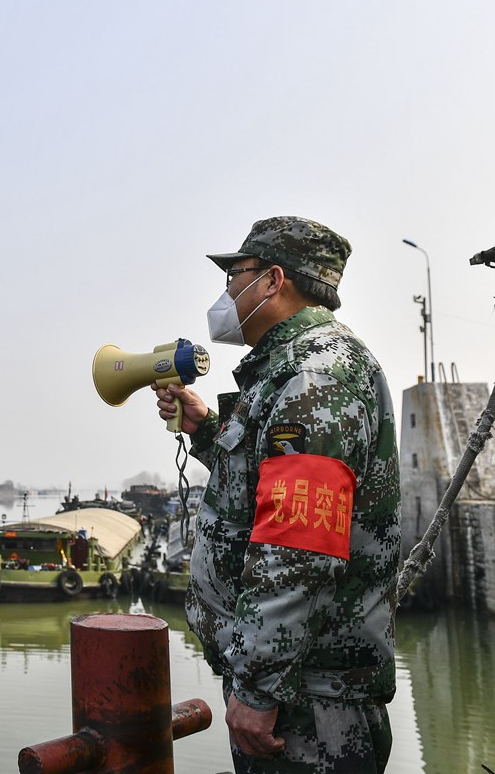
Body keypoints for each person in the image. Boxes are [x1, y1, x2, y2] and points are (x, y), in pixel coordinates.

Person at [152, 216, 400, 773]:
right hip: (298, 684)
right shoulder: (289, 370)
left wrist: (260, 688)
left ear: (272, 280)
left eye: (234, 275)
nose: (226, 294)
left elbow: (299, 546)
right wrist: (206, 430)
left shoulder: (315, 376)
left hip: (305, 700)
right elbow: (269, 489)